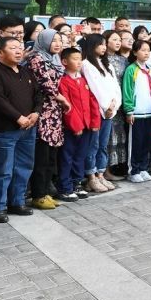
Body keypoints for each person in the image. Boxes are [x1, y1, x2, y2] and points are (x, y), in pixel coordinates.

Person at [0, 37, 40, 223]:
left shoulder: (26, 72)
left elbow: (38, 94)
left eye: (20, 48)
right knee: (2, 170)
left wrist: (36, 113)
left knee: (24, 167)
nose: (18, 51)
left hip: (28, 128)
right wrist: (18, 117)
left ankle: (17, 201)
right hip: (4, 130)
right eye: (13, 48)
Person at [23, 30, 70, 208]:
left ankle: (46, 192)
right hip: (43, 111)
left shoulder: (54, 60)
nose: (57, 44)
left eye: (59, 40)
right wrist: (63, 99)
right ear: (44, 41)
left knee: (51, 156)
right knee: (42, 156)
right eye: (53, 40)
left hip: (55, 112)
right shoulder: (37, 58)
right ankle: (38, 195)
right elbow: (46, 84)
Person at [57, 47, 99, 201]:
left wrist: (94, 122)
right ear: (64, 62)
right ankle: (65, 187)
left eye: (80, 58)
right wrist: (76, 126)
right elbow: (67, 106)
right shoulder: (63, 81)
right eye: (75, 58)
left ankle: (76, 183)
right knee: (67, 156)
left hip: (86, 125)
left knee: (80, 156)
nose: (79, 61)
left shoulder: (83, 80)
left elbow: (92, 101)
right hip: (73, 128)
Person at [80, 35, 119, 192]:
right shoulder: (86, 64)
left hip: (110, 111)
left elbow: (115, 87)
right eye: (100, 44)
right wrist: (106, 107)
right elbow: (95, 89)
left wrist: (114, 105)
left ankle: (101, 173)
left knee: (103, 145)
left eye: (104, 44)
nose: (104, 47)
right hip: (97, 111)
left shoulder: (106, 64)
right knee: (93, 145)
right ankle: (91, 176)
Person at [122, 40, 151, 183]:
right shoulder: (131, 69)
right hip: (137, 113)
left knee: (146, 143)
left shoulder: (150, 69)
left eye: (148, 50)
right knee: (136, 142)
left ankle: (143, 168)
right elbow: (128, 90)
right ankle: (133, 170)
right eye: (143, 50)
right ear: (135, 52)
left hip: (150, 111)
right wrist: (129, 110)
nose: (146, 53)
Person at [102, 30, 129, 181]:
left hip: (121, 103)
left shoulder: (123, 60)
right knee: (107, 138)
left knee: (117, 137)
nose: (118, 42)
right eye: (114, 39)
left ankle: (112, 169)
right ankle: (103, 171)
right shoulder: (101, 60)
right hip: (108, 103)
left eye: (120, 39)